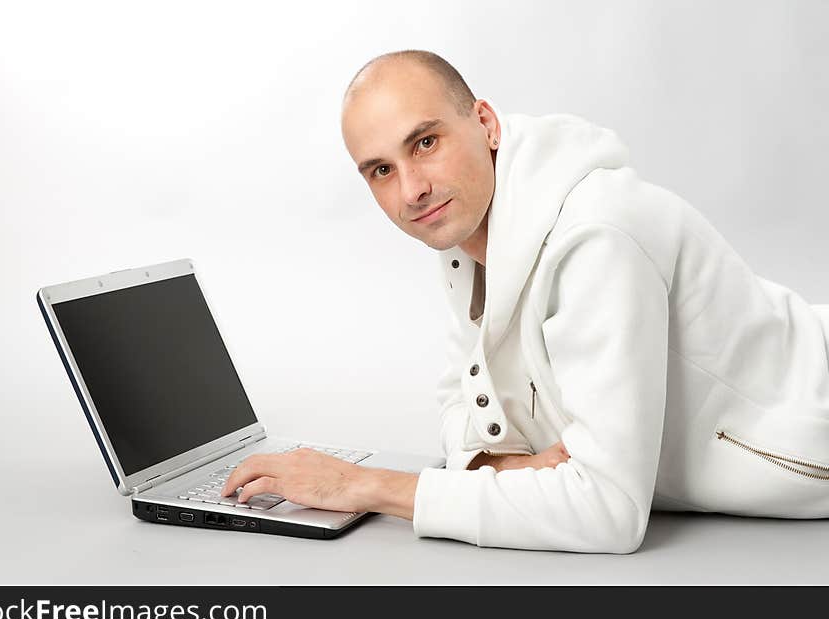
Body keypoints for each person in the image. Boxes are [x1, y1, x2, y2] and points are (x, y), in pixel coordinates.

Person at [222, 49, 829, 553]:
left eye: (426, 142)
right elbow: (463, 413)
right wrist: (504, 467)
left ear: (485, 122)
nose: (412, 189)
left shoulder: (597, 237)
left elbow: (608, 512)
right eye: (380, 170)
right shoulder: (472, 230)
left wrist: (366, 487)